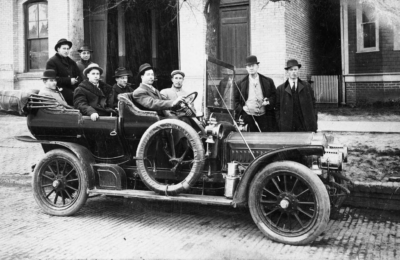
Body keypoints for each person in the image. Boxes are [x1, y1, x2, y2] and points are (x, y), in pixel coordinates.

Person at [234, 55, 277, 132]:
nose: (251, 68)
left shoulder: (268, 81)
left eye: (253, 65)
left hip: (264, 117)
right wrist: (242, 109)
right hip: (248, 118)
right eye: (248, 66)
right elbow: (234, 101)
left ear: (257, 66)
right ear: (246, 68)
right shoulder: (240, 83)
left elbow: (274, 96)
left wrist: (269, 101)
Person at [275, 59, 317, 132]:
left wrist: (313, 122)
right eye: (291, 70)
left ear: (298, 70)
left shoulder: (306, 86)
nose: (293, 72)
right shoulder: (280, 89)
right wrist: (280, 123)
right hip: (288, 125)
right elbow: (277, 109)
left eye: (295, 69)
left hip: (303, 124)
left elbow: (313, 105)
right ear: (287, 71)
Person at [46, 38, 81, 106]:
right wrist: (69, 80)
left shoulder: (72, 62)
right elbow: (51, 80)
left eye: (68, 49)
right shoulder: (51, 62)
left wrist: (76, 80)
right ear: (58, 49)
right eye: (64, 48)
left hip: (73, 88)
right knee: (75, 98)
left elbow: (78, 76)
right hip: (58, 89)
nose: (66, 51)